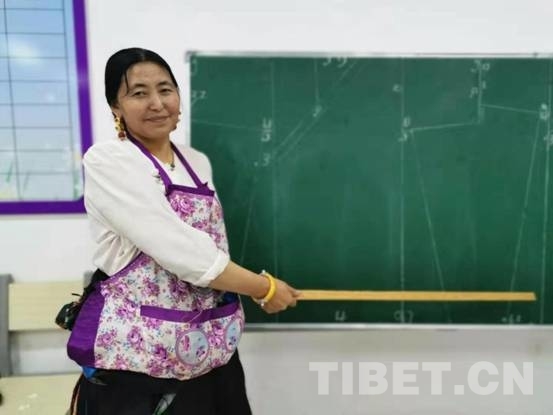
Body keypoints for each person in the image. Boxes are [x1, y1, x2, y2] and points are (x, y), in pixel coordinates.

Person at [66, 47, 300, 415]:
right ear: (116, 106)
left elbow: (215, 245)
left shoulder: (197, 161)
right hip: (140, 365)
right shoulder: (109, 160)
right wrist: (264, 287)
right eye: (138, 93)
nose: (157, 103)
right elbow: (187, 254)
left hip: (211, 351)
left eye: (165, 89)